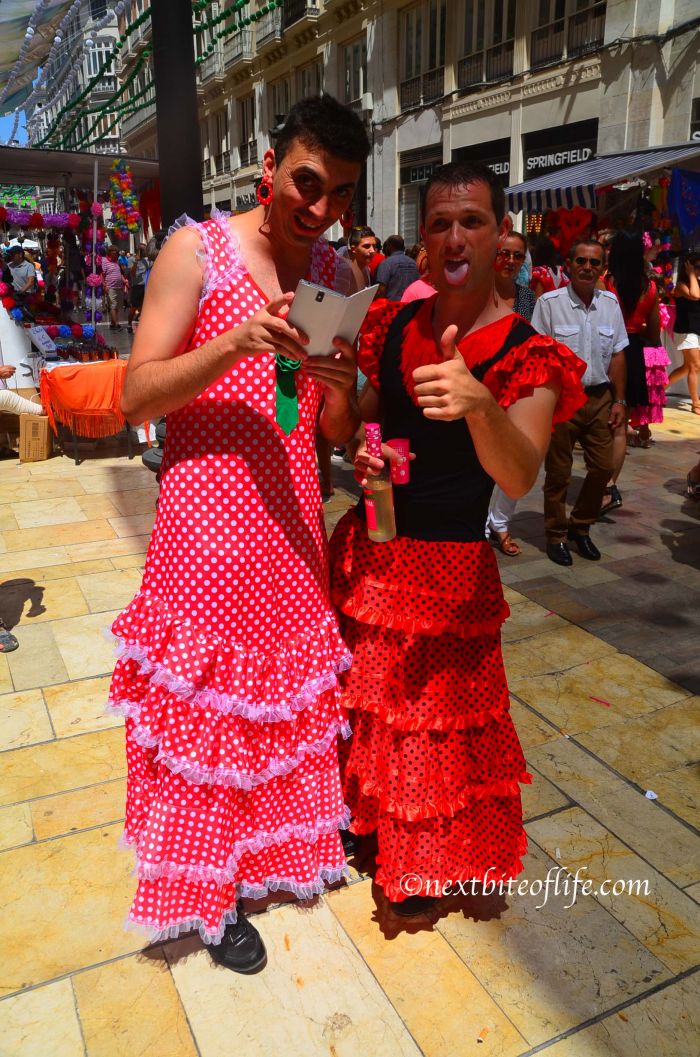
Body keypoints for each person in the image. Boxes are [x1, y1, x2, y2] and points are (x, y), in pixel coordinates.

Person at [106, 94, 369, 973]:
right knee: (204, 721)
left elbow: (329, 430)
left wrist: (337, 383)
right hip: (204, 543)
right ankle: (204, 894)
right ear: (269, 163)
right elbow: (135, 395)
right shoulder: (199, 248)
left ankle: (261, 863)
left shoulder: (331, 272)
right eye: (307, 181)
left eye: (337, 192)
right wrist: (237, 343)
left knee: (273, 714)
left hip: (292, 534)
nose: (319, 207)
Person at [329, 161, 585, 916]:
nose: (453, 236)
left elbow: (517, 475)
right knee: (375, 713)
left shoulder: (525, 350)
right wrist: (351, 413)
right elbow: (362, 425)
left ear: (502, 235)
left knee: (435, 727)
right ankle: (375, 826)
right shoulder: (393, 321)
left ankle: (428, 858)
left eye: (471, 219)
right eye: (439, 222)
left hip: (449, 570)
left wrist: (479, 403)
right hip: (375, 542)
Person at [532, 240, 628, 566]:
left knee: (603, 467)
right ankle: (556, 534)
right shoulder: (549, 304)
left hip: (600, 397)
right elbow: (539, 357)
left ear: (603, 268)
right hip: (562, 398)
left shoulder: (611, 305)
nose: (588, 267)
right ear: (569, 264)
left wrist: (620, 400)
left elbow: (617, 354)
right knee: (559, 472)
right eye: (581, 261)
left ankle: (581, 527)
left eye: (595, 263)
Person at [485, 232, 538, 555]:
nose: (510, 261)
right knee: (478, 459)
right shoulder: (478, 293)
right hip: (480, 385)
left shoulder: (528, 298)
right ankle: (477, 524)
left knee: (514, 457)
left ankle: (500, 522)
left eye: (517, 256)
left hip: (516, 387)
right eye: (504, 253)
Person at [601, 231, 661, 511]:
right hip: (634, 350)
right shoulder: (649, 287)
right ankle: (610, 484)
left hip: (608, 350)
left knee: (600, 417)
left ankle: (600, 484)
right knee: (621, 426)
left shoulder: (606, 283)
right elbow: (655, 331)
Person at [668, 253, 700, 415]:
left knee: (687, 367)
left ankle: (659, 389)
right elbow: (695, 296)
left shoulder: (697, 283)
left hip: (696, 330)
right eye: (697, 267)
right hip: (686, 331)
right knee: (695, 366)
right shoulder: (681, 285)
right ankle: (696, 404)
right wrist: (692, 274)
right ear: (688, 267)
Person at [375, 235, 419, 300]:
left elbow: (381, 290)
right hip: (411, 305)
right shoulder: (414, 263)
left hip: (392, 306)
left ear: (390, 246)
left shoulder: (386, 264)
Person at [101, 246, 127, 330]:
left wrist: (124, 281)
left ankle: (112, 323)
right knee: (113, 305)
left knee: (117, 306)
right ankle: (116, 324)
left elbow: (120, 274)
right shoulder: (105, 261)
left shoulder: (116, 262)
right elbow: (102, 274)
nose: (116, 254)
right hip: (110, 287)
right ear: (110, 252)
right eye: (114, 252)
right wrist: (104, 285)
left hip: (119, 287)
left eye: (116, 252)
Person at [127, 245, 149, 333]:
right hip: (137, 286)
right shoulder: (131, 260)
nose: (145, 251)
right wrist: (136, 261)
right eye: (143, 250)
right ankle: (129, 324)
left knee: (145, 307)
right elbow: (132, 273)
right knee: (134, 307)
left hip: (145, 286)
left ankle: (143, 323)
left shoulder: (147, 260)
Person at [347, 226, 376, 290]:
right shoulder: (345, 272)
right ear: (353, 249)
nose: (372, 251)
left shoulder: (366, 269)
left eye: (374, 246)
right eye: (366, 246)